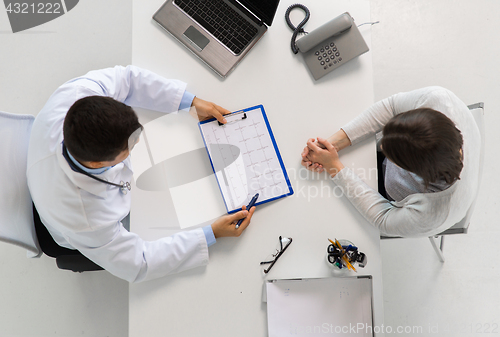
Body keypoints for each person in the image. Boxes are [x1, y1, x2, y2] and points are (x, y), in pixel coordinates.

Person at [27, 65, 255, 283]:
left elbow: (127, 79)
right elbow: (140, 263)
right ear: (98, 163)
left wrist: (190, 102)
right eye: (130, 147)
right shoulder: (89, 219)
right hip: (67, 225)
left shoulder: (76, 95)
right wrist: (211, 233)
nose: (138, 140)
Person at [301, 86, 481, 237]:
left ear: (411, 171)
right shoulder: (437, 100)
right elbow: (391, 107)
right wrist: (331, 145)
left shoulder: (432, 214)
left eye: (392, 156)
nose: (380, 145)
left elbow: (383, 218)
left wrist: (334, 167)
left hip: (393, 200)